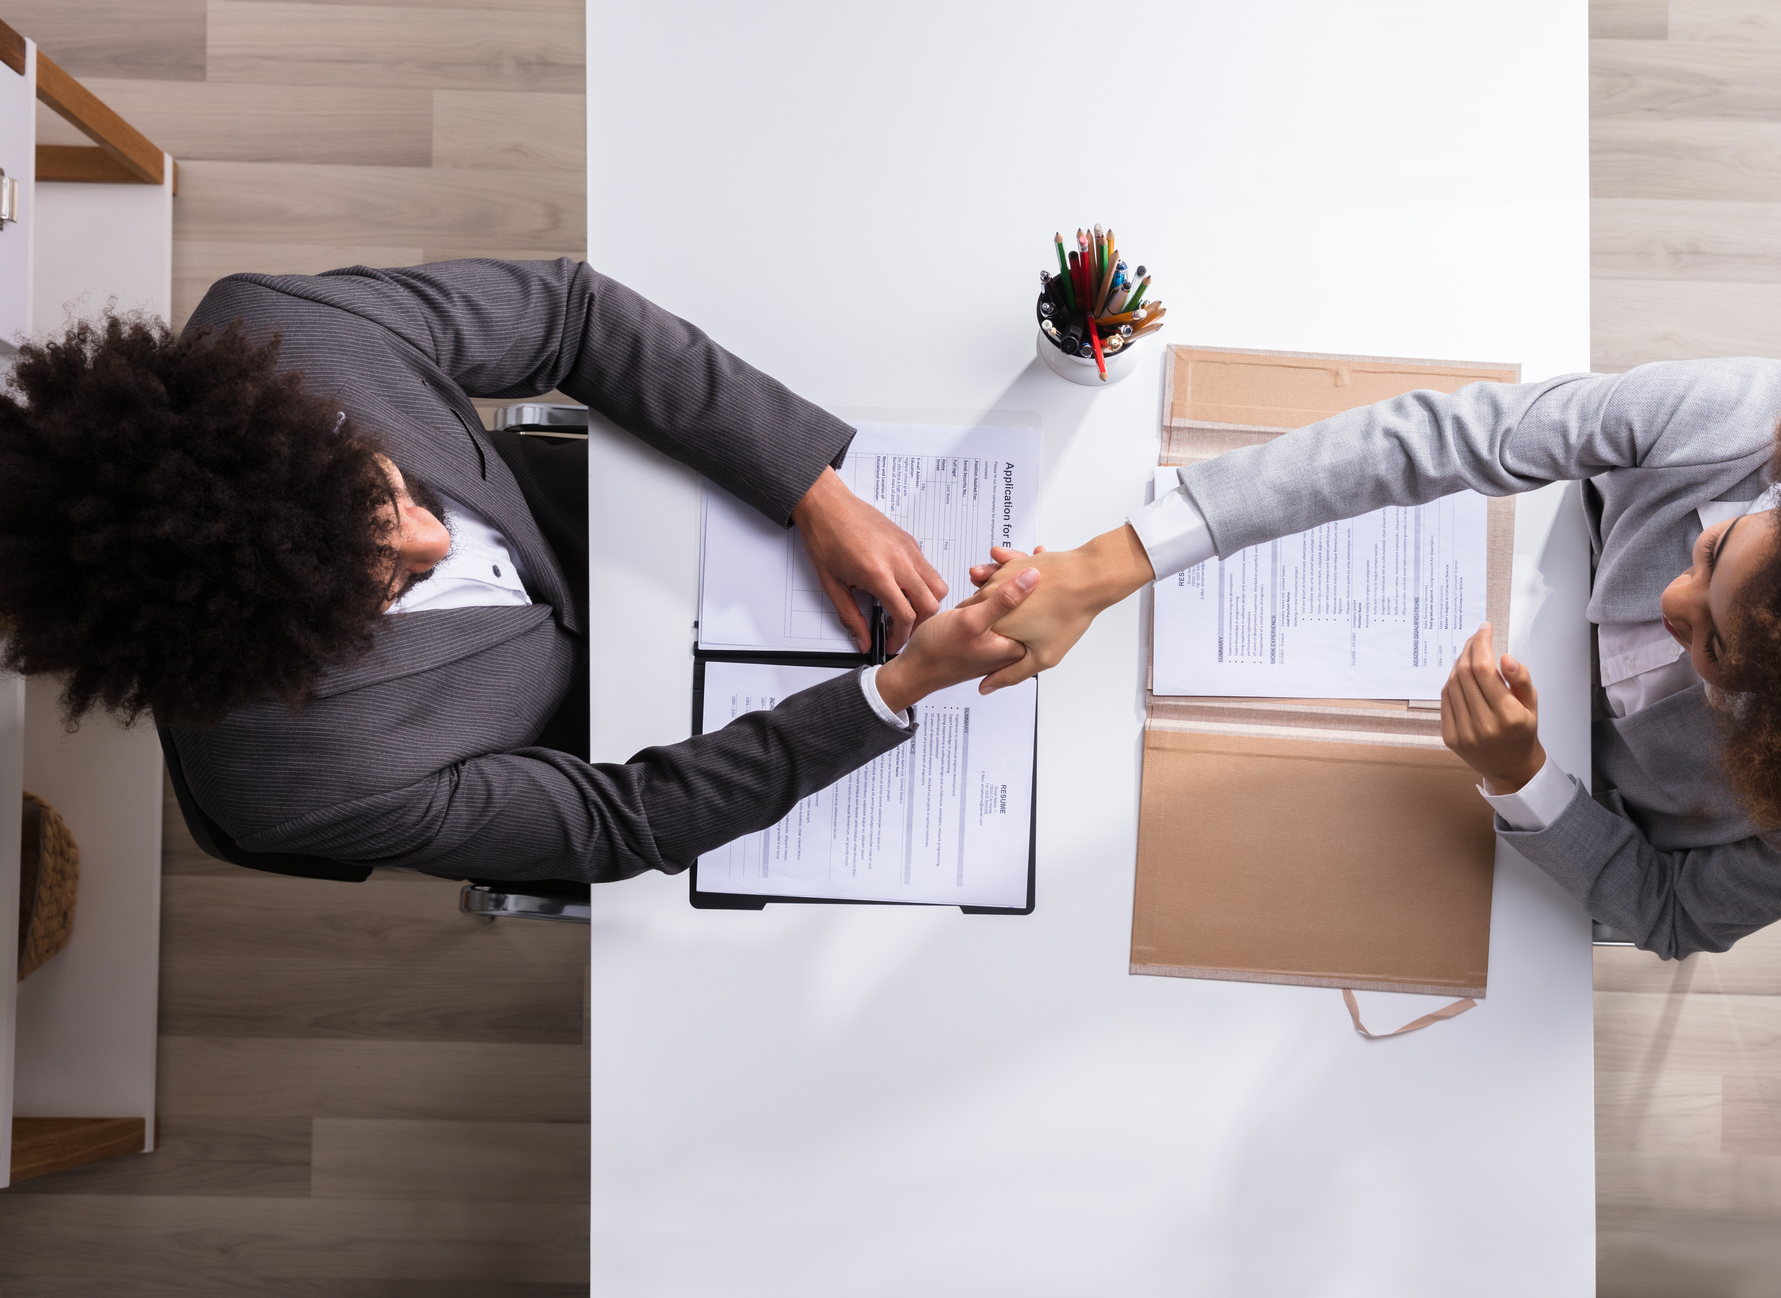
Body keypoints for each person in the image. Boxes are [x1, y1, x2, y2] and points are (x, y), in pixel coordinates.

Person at [959, 344, 1781, 958]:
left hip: (1532, 828)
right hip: (1492, 581)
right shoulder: (1747, 417)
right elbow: (1452, 435)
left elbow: (1671, 914)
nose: (1668, 594)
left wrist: (1525, 780)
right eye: (1716, 547)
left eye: (1713, 647)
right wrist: (1115, 563)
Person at [0, 259, 1037, 883]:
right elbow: (616, 821)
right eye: (387, 582)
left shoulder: (293, 333)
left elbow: (573, 315)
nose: (436, 540)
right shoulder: (299, 783)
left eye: (390, 493)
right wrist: (896, 692)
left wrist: (809, 487)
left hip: (635, 516)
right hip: (615, 735)